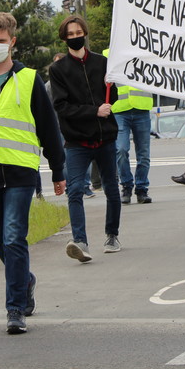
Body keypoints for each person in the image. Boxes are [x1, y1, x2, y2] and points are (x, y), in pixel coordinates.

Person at [0, 13, 66, 335]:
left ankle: (15, 309)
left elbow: (49, 127)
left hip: (21, 170)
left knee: (13, 235)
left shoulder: (29, 79)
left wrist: (58, 170)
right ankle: (26, 280)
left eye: (1, 41)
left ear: (12, 42)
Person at [49, 15, 122, 260]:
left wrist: (109, 96)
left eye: (78, 32)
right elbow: (61, 106)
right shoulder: (58, 69)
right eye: (70, 34)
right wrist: (94, 111)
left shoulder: (102, 63)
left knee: (111, 188)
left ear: (85, 33)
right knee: (75, 190)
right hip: (77, 141)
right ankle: (80, 241)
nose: (75, 37)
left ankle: (112, 235)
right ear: (64, 38)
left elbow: (113, 98)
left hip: (106, 138)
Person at [106, 51, 153, 204]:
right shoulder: (108, 55)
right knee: (120, 149)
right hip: (120, 111)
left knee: (144, 154)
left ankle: (141, 189)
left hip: (142, 108)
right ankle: (126, 185)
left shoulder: (146, 52)